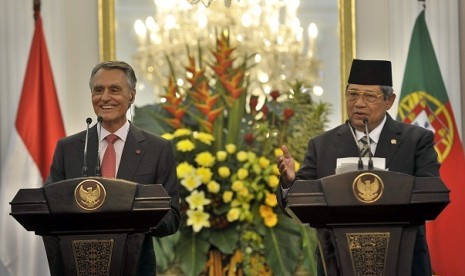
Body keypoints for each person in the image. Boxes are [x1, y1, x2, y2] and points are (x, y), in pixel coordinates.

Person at [276, 59, 439, 276]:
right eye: (352, 94)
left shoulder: (416, 140)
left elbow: (430, 191)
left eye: (369, 96)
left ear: (389, 100)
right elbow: (299, 200)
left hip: (404, 260)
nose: (358, 103)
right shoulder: (322, 145)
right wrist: (289, 182)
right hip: (337, 262)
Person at [45, 60, 180, 275]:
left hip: (135, 268)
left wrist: (135, 216)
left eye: (114, 89)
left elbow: (172, 218)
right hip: (77, 266)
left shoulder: (157, 149)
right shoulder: (67, 149)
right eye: (98, 90)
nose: (105, 97)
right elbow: (47, 206)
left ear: (132, 96)